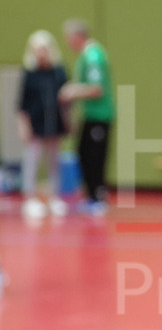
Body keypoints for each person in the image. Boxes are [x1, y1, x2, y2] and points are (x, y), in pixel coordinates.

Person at [59, 19, 115, 215]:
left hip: (99, 116)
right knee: (83, 153)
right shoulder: (86, 55)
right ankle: (91, 195)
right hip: (89, 115)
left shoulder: (93, 56)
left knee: (94, 156)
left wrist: (73, 91)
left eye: (69, 38)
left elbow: (96, 89)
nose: (68, 43)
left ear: (77, 36)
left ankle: (97, 197)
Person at [18, 30, 69, 218]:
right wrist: (23, 126)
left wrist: (68, 121)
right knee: (32, 162)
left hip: (54, 124)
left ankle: (54, 197)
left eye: (44, 49)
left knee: (55, 163)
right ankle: (30, 198)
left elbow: (66, 100)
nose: (41, 53)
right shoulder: (29, 73)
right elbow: (22, 104)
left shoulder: (59, 71)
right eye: (37, 49)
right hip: (35, 126)